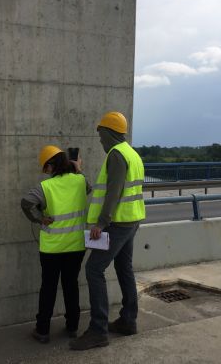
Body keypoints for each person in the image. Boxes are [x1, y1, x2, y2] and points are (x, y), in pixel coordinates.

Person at [70, 112, 145, 350]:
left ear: (109, 133)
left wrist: (101, 223)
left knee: (93, 269)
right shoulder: (132, 153)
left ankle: (98, 330)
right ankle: (128, 320)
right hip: (132, 220)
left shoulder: (116, 155)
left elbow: (113, 192)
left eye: (101, 135)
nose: (100, 140)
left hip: (118, 223)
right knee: (124, 268)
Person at [21, 145, 90, 343]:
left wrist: (39, 218)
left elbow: (26, 202)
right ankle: (72, 327)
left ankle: (42, 330)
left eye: (45, 167)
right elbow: (89, 188)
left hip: (51, 249)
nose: (45, 172)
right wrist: (78, 169)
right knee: (71, 286)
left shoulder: (46, 187)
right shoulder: (80, 181)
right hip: (75, 246)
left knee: (49, 287)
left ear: (52, 165)